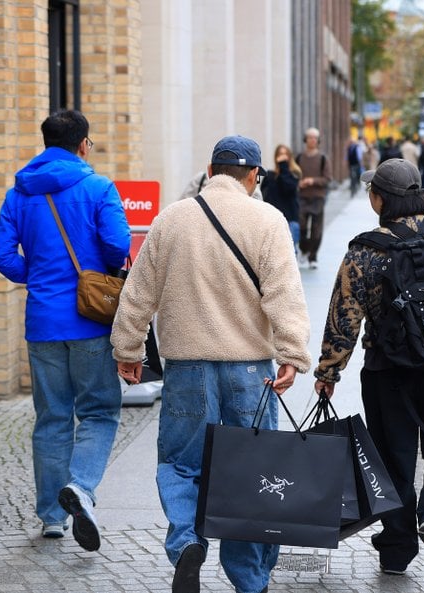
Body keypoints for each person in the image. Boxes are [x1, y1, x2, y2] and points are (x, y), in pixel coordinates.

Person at [111, 135, 311, 593]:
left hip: (187, 368)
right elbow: (284, 293)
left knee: (181, 464)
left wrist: (128, 350)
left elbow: (138, 292)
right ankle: (249, 579)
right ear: (255, 176)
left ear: (210, 169)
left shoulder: (172, 219)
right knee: (254, 472)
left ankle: (186, 542)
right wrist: (292, 354)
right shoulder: (268, 220)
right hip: (250, 369)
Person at [313, 159, 424, 576]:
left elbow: (344, 315)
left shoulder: (365, 249)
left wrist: (329, 372)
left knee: (392, 461)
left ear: (380, 198)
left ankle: (396, 552)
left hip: (387, 370)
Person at [0, 110, 131, 548]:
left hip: (42, 322)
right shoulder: (98, 188)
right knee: (99, 411)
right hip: (90, 321)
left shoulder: (20, 192)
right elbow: (118, 246)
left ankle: (52, 516)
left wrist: (38, 275)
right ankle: (81, 488)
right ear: (83, 144)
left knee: (51, 418)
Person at [296, 127, 332, 269]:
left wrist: (312, 181)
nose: (312, 140)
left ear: (318, 141)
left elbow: (328, 178)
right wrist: (298, 182)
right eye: (310, 137)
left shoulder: (323, 158)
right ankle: (304, 250)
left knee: (316, 229)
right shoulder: (299, 157)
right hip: (302, 197)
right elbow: (294, 174)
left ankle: (313, 257)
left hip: (318, 198)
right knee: (302, 227)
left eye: (315, 138)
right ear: (305, 139)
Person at [261, 143, 301, 254]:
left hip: (290, 219)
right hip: (273, 219)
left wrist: (283, 166)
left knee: (290, 253)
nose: (282, 157)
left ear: (289, 156)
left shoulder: (294, 174)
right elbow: (264, 195)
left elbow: (287, 188)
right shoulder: (270, 175)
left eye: (285, 154)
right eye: (280, 154)